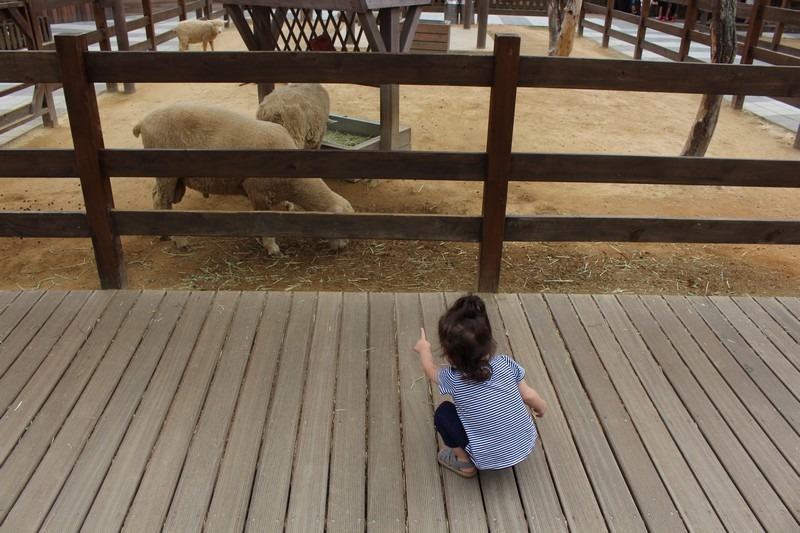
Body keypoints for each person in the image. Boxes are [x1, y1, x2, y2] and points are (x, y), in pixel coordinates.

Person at [413, 294, 548, 478]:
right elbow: (528, 396)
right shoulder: (505, 364)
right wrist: (541, 406)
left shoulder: (453, 379)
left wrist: (424, 348)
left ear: (449, 355)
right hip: (524, 442)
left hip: (487, 458)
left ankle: (464, 463)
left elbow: (430, 368)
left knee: (444, 413)